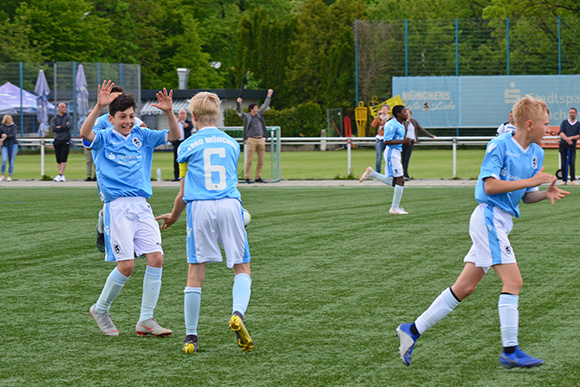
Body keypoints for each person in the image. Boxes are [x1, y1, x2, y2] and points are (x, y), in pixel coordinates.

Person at [396, 95, 570, 369]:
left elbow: (526, 196)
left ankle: (412, 330)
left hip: (501, 222)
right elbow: (489, 187)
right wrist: (532, 181)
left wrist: (543, 192)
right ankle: (510, 351)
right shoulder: (499, 145)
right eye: (545, 125)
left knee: (464, 287)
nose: (548, 130)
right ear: (529, 124)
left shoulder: (537, 153)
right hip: (488, 217)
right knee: (514, 282)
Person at [156, 92, 254, 354]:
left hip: (200, 208)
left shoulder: (187, 146)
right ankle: (237, 314)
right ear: (219, 115)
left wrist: (174, 216)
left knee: (195, 272)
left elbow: (182, 192)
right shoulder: (233, 144)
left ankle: (191, 338)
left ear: (194, 117)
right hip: (230, 205)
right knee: (241, 267)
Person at [81, 80, 180, 337]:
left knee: (156, 258)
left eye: (131, 116)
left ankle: (146, 319)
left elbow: (175, 136)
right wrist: (98, 107)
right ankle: (100, 309)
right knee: (127, 267)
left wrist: (169, 112)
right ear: (111, 118)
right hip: (117, 207)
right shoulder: (103, 136)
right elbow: (85, 133)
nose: (128, 121)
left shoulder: (142, 135)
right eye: (122, 117)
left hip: (142, 206)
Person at [85, 85, 148, 182]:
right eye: (113, 99)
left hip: (129, 168)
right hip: (109, 171)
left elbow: (144, 130)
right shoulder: (101, 121)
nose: (118, 101)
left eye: (121, 98)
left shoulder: (130, 119)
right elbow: (88, 145)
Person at [358, 105, 413, 215]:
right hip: (392, 154)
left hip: (396, 153)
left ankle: (372, 173)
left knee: (395, 182)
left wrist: (406, 141)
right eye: (404, 112)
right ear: (398, 114)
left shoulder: (400, 124)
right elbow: (386, 141)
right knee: (400, 180)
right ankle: (394, 208)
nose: (406, 114)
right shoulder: (392, 124)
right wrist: (404, 141)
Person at [237, 89, 273, 184]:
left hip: (261, 139)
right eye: (256, 108)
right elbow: (239, 112)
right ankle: (247, 177)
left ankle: (258, 177)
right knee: (250, 160)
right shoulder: (247, 116)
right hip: (251, 140)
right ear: (251, 110)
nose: (257, 109)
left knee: (261, 160)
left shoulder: (259, 115)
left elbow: (265, 106)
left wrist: (268, 96)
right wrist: (238, 104)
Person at [402, 109, 436, 180]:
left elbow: (421, 129)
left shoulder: (414, 121)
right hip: (404, 141)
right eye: (405, 113)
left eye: (408, 113)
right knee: (403, 158)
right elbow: (404, 129)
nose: (407, 114)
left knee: (406, 158)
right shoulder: (403, 122)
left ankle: (405, 174)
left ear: (410, 113)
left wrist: (431, 136)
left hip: (411, 142)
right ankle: (403, 174)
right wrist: (407, 121)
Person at [558, 107, 580, 185]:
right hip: (563, 145)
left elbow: (579, 135)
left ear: (576, 114)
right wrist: (567, 139)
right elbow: (561, 132)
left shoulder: (578, 124)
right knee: (563, 162)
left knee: (572, 162)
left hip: (572, 146)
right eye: (570, 112)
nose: (572, 114)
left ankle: (573, 180)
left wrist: (571, 138)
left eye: (573, 112)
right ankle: (564, 180)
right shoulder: (564, 122)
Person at [50, 103, 72, 182]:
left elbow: (68, 126)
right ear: (59, 108)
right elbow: (53, 128)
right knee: (58, 158)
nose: (64, 108)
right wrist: (62, 127)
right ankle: (60, 174)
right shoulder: (55, 118)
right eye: (62, 107)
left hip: (65, 139)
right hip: (57, 140)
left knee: (64, 157)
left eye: (65, 107)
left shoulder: (68, 117)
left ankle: (61, 174)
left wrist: (60, 127)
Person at [172, 109, 193, 181]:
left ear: (186, 115)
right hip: (177, 143)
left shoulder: (188, 122)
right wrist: (175, 121)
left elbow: (188, 127)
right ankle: (176, 176)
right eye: (181, 113)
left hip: (185, 143)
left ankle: (187, 176)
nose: (182, 115)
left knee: (186, 160)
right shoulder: (175, 123)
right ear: (178, 115)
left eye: (183, 113)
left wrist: (181, 121)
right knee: (176, 160)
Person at [371, 105, 390, 173]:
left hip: (387, 139)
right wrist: (377, 117)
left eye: (385, 109)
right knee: (379, 158)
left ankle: (388, 173)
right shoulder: (379, 118)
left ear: (388, 110)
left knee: (388, 157)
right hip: (379, 138)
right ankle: (378, 173)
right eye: (382, 109)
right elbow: (373, 125)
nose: (383, 110)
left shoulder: (390, 119)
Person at [0, 114, 18, 182]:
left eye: (11, 118)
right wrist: (2, 135)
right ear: (5, 120)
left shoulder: (14, 126)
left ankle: (9, 176)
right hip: (5, 145)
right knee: (4, 160)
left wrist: (6, 136)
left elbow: (13, 135)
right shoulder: (2, 127)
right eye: (9, 119)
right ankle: (2, 175)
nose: (10, 120)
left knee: (11, 161)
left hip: (13, 145)